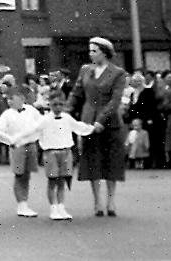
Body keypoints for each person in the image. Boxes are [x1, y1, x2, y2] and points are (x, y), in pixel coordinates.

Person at [10, 90, 96, 220]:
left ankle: (61, 206)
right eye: (55, 104)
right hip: (51, 153)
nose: (58, 107)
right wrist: (16, 139)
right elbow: (31, 131)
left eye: (61, 104)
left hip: (66, 152)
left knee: (63, 181)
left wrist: (93, 128)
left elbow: (79, 127)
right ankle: (53, 208)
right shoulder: (44, 120)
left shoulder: (67, 118)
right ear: (49, 104)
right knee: (52, 181)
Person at [68, 37, 128, 217]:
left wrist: (101, 120)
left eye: (94, 50)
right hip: (88, 121)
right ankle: (97, 202)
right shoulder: (86, 70)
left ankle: (111, 201)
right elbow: (76, 93)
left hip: (110, 122)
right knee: (92, 160)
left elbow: (115, 100)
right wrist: (65, 110)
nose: (90, 53)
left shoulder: (118, 73)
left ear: (105, 52)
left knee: (111, 161)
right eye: (90, 50)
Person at [0, 87, 42, 217]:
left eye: (12, 98)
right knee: (19, 175)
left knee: (27, 174)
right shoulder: (7, 114)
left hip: (31, 145)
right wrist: (10, 140)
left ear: (21, 98)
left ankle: (24, 202)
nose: (9, 101)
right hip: (17, 147)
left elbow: (41, 123)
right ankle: (21, 204)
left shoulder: (32, 110)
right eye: (8, 99)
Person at [125, 72, 159, 168]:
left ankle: (149, 162)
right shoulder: (132, 93)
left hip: (146, 119)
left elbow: (152, 106)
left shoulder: (147, 91)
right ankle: (136, 161)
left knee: (146, 140)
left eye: (139, 81)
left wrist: (149, 118)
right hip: (135, 120)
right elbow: (132, 107)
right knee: (134, 140)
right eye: (135, 81)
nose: (137, 83)